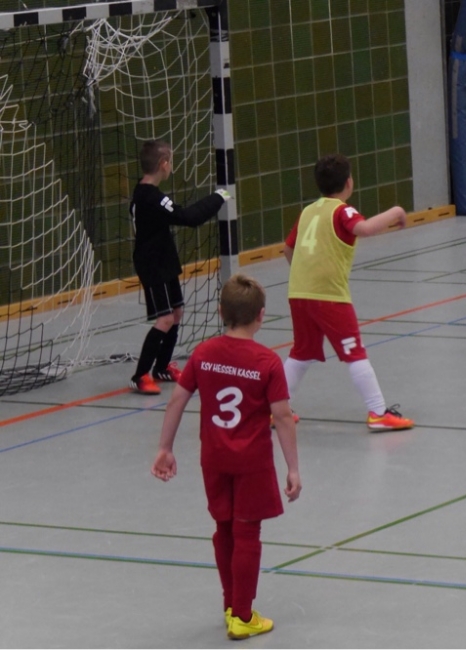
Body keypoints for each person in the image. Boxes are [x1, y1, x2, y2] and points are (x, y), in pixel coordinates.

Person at [151, 274, 301, 640]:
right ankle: (243, 616)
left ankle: (230, 605)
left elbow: (176, 400)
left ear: (220, 312)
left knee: (224, 528)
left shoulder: (203, 353)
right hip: (252, 462)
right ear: (261, 316)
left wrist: (165, 448)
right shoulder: (267, 362)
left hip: (214, 458)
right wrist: (293, 468)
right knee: (247, 530)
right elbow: (282, 417)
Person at [282, 153, 414, 431]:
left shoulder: (308, 212)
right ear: (349, 183)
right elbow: (364, 229)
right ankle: (378, 412)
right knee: (355, 352)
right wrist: (396, 212)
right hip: (329, 296)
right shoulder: (342, 211)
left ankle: (275, 410)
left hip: (299, 293)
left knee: (301, 352)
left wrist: (306, 272)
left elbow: (288, 249)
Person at [129, 139, 232, 395]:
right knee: (165, 318)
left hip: (163, 260)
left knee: (176, 313)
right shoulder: (152, 197)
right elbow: (189, 218)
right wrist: (218, 197)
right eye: (171, 161)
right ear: (164, 164)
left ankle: (162, 367)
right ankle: (140, 375)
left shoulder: (144, 192)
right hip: (153, 264)